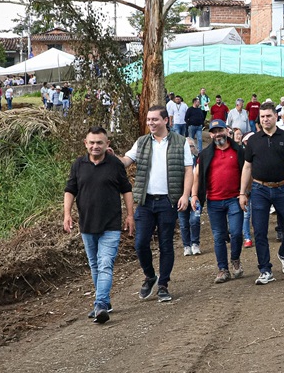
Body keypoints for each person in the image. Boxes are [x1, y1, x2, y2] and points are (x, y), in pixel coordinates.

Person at [116, 104, 194, 302]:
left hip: (168, 201)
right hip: (144, 201)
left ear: (165, 120)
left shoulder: (180, 142)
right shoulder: (142, 142)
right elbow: (126, 160)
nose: (151, 123)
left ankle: (163, 285)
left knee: (166, 244)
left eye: (155, 119)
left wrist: (186, 195)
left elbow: (188, 170)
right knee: (140, 243)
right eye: (149, 120)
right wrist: (112, 157)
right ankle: (150, 276)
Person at [63, 126, 133, 324]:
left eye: (99, 142)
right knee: (94, 265)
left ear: (107, 144)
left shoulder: (115, 165)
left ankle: (100, 303)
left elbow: (126, 190)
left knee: (105, 263)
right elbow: (70, 190)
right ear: (86, 144)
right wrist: (67, 214)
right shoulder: (78, 165)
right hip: (87, 224)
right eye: (92, 142)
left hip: (110, 224)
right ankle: (105, 301)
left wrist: (130, 215)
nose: (95, 146)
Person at [241, 103, 284, 284]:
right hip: (259, 189)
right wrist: (242, 193)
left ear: (275, 117)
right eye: (262, 117)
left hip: (283, 188)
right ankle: (265, 270)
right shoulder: (253, 141)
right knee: (260, 230)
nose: (265, 119)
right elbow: (247, 167)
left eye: (268, 116)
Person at [192, 119, 246, 283]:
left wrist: (245, 193)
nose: (217, 134)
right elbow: (196, 175)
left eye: (220, 130)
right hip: (214, 201)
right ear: (210, 134)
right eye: (214, 131)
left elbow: (247, 171)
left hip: (234, 199)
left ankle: (235, 259)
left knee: (236, 233)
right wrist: (194, 195)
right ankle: (223, 269)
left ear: (227, 131)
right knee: (218, 236)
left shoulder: (239, 151)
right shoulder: (206, 154)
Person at [178, 137, 203, 257]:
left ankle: (195, 243)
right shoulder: (178, 162)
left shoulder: (199, 161)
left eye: (191, 146)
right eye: (186, 147)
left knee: (195, 220)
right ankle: (186, 245)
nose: (189, 149)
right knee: (183, 223)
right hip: (181, 197)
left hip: (196, 197)